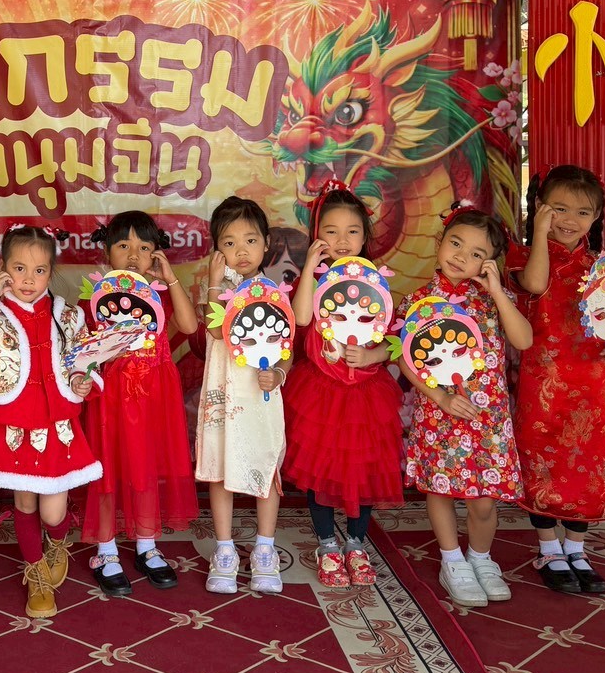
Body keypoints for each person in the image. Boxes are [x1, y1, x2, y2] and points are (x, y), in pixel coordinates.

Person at [0, 225, 99, 618]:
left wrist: (84, 381)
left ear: (51, 271)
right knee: (24, 501)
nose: (29, 280)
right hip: (13, 425)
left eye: (39, 270)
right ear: (2, 268)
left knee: (53, 512)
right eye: (19, 269)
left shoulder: (68, 315)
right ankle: (35, 572)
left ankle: (58, 540)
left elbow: (85, 361)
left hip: (56, 426)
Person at [401, 207, 532, 609]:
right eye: (455, 244)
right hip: (440, 412)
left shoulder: (494, 300)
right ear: (439, 244)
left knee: (484, 499)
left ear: (489, 263)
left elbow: (524, 340)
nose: (461, 256)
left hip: (487, 417)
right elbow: (404, 358)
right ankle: (452, 561)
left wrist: (497, 291)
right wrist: (439, 397)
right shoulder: (419, 301)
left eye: (476, 254)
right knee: (440, 489)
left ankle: (480, 557)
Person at [509, 166, 605, 595]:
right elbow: (536, 284)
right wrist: (540, 233)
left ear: (595, 218)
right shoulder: (522, 256)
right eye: (558, 208)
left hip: (591, 382)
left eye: (582, 212)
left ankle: (577, 549)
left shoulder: (602, 267)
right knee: (541, 460)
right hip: (542, 381)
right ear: (540, 208)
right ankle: (548, 549)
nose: (570, 220)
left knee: (588, 463)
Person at [283, 183, 402, 588]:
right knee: (320, 470)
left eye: (352, 231)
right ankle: (327, 544)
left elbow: (396, 339)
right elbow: (301, 319)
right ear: (317, 236)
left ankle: (355, 542)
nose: (342, 240)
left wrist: (373, 355)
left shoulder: (376, 282)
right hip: (321, 392)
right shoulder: (314, 279)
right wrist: (309, 270)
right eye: (331, 232)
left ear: (365, 237)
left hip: (367, 395)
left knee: (363, 472)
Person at [81, 211, 199, 596]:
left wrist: (170, 278)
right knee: (107, 470)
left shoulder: (161, 294)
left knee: (145, 469)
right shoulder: (95, 296)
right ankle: (106, 550)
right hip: (109, 397)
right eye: (123, 245)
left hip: (153, 397)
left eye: (144, 247)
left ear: (156, 254)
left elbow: (190, 326)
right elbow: (84, 351)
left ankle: (147, 544)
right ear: (106, 252)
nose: (134, 255)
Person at [195, 196, 288, 596]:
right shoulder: (215, 290)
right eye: (229, 243)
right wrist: (216, 285)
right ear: (217, 250)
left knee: (266, 468)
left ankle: (265, 548)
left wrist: (279, 373)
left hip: (260, 397)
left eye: (250, 240)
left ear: (266, 243)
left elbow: (287, 347)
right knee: (221, 469)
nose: (242, 251)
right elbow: (216, 331)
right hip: (223, 393)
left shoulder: (275, 292)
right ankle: (225, 550)